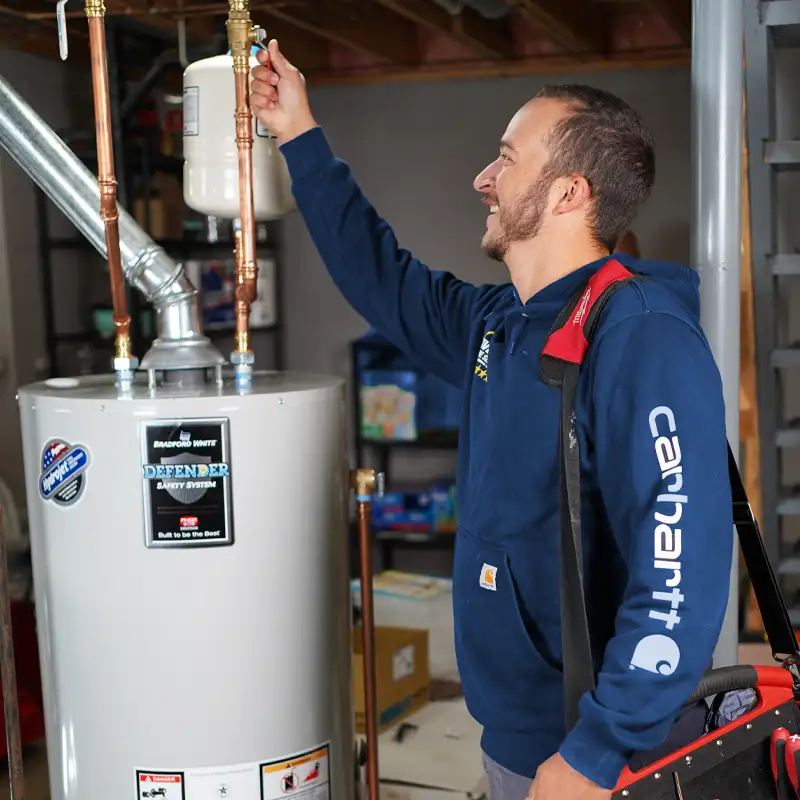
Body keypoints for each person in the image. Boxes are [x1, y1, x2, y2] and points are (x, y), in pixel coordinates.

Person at [249, 40, 734, 800]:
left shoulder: (642, 339)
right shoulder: (500, 324)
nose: (483, 178)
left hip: (602, 762)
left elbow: (679, 578)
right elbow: (379, 274)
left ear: (570, 194)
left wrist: (596, 754)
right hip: (517, 739)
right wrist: (298, 132)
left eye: (506, 159)